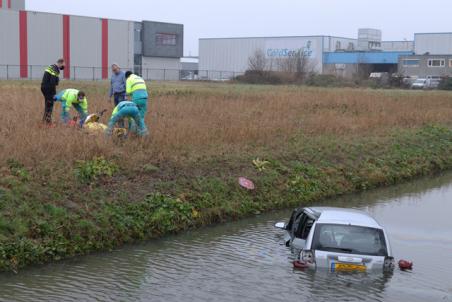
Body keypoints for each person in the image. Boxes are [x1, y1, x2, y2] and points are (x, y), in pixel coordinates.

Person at [41, 59, 65, 124]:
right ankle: (48, 122)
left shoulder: (51, 66)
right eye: (63, 65)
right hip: (48, 88)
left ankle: (45, 120)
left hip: (44, 87)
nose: (63, 66)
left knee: (47, 104)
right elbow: (52, 82)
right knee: (50, 104)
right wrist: (54, 93)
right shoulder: (55, 69)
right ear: (60, 63)